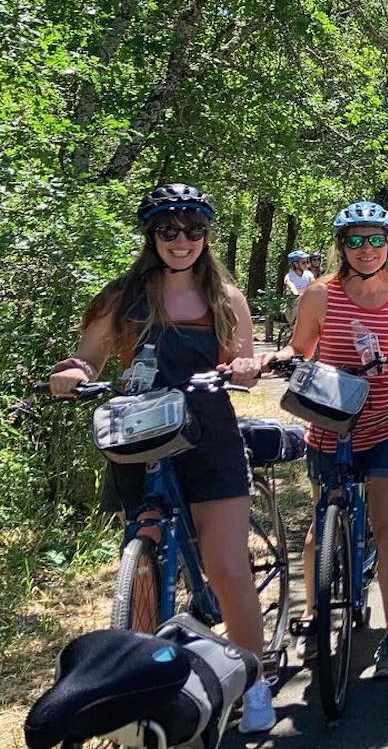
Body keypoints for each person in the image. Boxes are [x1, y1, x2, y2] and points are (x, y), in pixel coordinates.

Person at [48, 184, 275, 733]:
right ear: (152, 236)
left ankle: (255, 678)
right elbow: (89, 356)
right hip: (138, 431)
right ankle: (145, 679)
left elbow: (242, 359)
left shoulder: (224, 297)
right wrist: (76, 374)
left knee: (225, 564)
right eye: (169, 230)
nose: (182, 241)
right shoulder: (121, 296)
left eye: (193, 230)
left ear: (206, 235)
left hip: (209, 433)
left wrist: (245, 368)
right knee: (143, 552)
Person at [258, 201, 388, 679]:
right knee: (320, 527)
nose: (366, 249)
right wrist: (285, 360)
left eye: (376, 239)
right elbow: (300, 346)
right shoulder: (319, 295)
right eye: (354, 240)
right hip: (332, 423)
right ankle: (315, 616)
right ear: (342, 246)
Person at [283, 250, 314, 328]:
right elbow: (290, 285)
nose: (306, 264)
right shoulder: (289, 276)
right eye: (303, 263)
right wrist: (296, 292)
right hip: (295, 302)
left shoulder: (309, 275)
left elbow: (314, 284)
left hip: (307, 300)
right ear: (295, 264)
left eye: (307, 262)